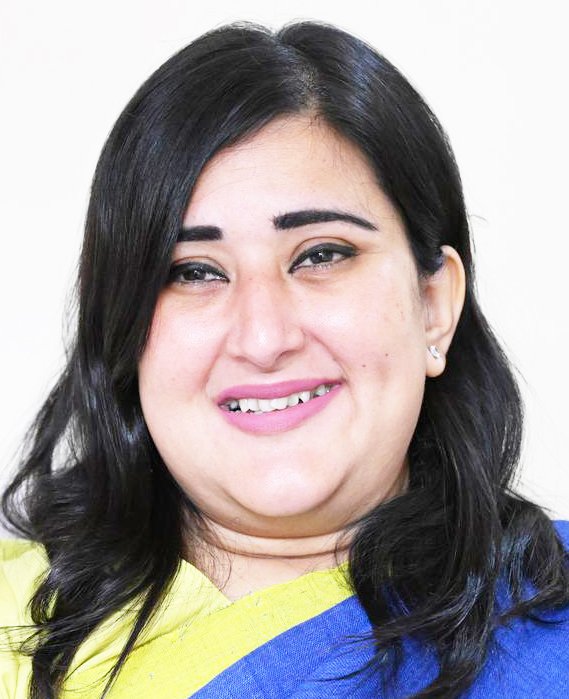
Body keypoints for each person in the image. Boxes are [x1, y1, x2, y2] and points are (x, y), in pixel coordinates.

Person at [1, 20, 568, 699]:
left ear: (433, 304)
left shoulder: (548, 636)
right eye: (194, 271)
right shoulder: (14, 624)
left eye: (321, 254)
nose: (264, 336)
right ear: (123, 326)